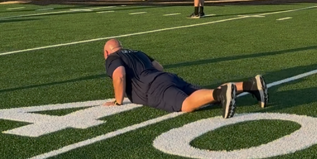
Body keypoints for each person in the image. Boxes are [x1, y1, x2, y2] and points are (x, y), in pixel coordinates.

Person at [102, 39, 267, 119]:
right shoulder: (137, 52)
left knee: (187, 105)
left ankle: (222, 95)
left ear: (107, 52)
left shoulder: (112, 57)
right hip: (166, 78)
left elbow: (120, 75)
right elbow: (159, 66)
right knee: (205, 94)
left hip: (152, 87)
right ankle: (250, 85)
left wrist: (118, 101)